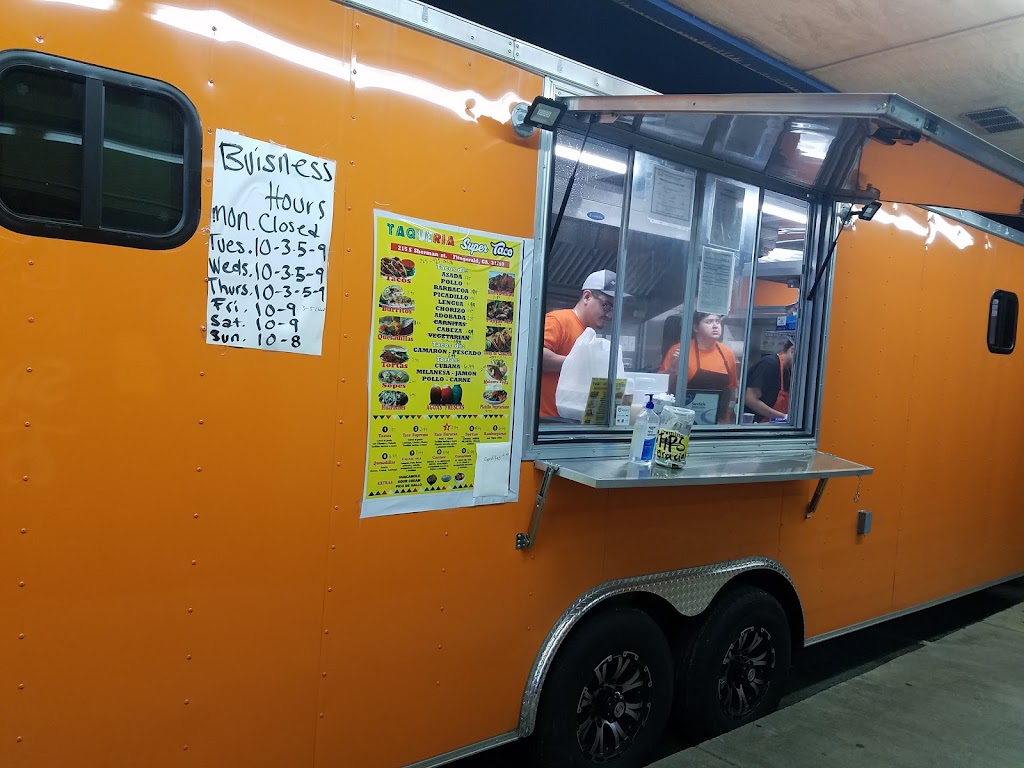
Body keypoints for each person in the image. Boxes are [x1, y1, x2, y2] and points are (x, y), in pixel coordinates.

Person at [539, 269, 623, 419]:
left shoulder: (589, 335)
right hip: (548, 421)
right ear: (587, 297)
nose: (610, 315)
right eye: (606, 306)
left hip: (573, 420)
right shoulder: (559, 321)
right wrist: (580, 364)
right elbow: (536, 358)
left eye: (614, 309)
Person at [658, 312, 738, 424]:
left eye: (718, 322)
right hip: (680, 419)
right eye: (709, 322)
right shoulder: (679, 350)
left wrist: (726, 419)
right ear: (696, 328)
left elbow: (731, 390)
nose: (715, 326)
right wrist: (673, 369)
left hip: (716, 422)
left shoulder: (727, 354)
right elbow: (661, 390)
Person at [744, 340, 795, 423]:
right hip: (756, 424)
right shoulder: (769, 364)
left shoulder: (789, 371)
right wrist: (783, 417)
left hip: (773, 424)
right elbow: (750, 399)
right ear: (792, 351)